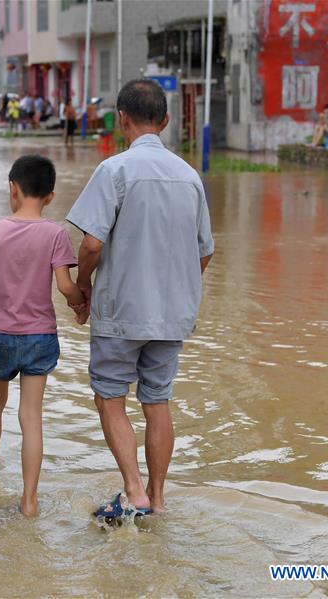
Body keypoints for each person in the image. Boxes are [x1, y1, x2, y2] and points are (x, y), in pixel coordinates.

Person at [66, 79, 214, 522]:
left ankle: (134, 490)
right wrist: (178, 287)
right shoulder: (190, 177)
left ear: (122, 119)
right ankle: (159, 496)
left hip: (121, 311)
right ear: (166, 121)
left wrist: (84, 288)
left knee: (110, 397)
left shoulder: (115, 170)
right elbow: (204, 250)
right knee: (157, 401)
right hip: (172, 316)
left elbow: (90, 245)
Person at [0, 155, 86, 518]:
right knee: (31, 415)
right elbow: (65, 286)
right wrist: (82, 301)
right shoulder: (55, 234)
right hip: (39, 337)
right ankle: (30, 500)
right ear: (50, 196)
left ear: (12, 188)